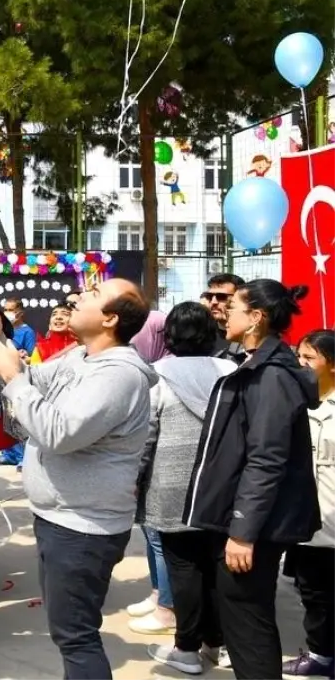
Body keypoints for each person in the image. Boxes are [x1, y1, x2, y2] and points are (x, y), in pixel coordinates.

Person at [0, 278, 155, 680]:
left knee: (76, 635)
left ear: (110, 319)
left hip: (84, 527)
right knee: (69, 632)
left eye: (92, 295)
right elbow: (31, 384)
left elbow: (58, 432)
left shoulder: (119, 375)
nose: (78, 297)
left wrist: (13, 378)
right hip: (59, 518)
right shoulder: (80, 357)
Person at [180, 280, 321, 680]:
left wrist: (242, 532)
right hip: (249, 519)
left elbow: (266, 459)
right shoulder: (255, 365)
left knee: (247, 621)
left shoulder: (271, 376)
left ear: (256, 317)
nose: (223, 313)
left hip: (257, 525)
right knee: (243, 616)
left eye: (234, 307)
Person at [134, 302, 236, 655]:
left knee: (183, 568)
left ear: (171, 335)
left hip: (170, 486)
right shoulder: (230, 369)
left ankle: (187, 650)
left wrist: (134, 479)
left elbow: (145, 435)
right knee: (216, 565)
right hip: (222, 484)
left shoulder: (157, 374)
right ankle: (218, 643)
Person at [289, 330, 335, 677]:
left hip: (331, 518)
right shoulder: (296, 402)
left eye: (309, 358)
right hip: (305, 517)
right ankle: (321, 653)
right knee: (312, 591)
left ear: (331, 365)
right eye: (298, 356)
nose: (300, 364)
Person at [201, 273, 246, 363]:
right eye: (209, 297)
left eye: (221, 297)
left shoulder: (250, 334)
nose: (213, 302)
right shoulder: (201, 333)